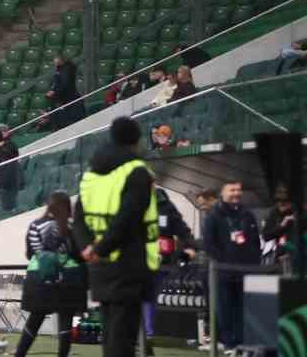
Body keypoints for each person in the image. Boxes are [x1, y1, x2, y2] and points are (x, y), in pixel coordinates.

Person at [73, 116, 159, 357]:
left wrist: (88, 249)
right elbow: (128, 218)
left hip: (100, 269)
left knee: (111, 335)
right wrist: (101, 249)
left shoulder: (91, 174)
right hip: (128, 263)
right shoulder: (137, 172)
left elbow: (78, 216)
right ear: (135, 140)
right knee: (122, 339)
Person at [13, 191, 88, 357]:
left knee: (34, 321)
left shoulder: (35, 225)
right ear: (68, 206)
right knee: (66, 323)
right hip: (68, 279)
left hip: (39, 279)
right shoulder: (72, 226)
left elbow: (30, 253)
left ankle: (19, 354)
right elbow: (78, 254)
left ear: (49, 205)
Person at [202, 180, 260, 354]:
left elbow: (255, 242)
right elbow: (209, 244)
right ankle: (229, 344)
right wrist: (224, 262)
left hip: (245, 272)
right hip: (223, 272)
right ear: (222, 193)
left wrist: (252, 263)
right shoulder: (213, 216)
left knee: (243, 310)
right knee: (225, 309)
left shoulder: (247, 215)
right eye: (232, 190)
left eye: (239, 190)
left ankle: (242, 343)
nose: (236, 193)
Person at [145, 187, 197, 355]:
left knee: (150, 296)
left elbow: (181, 228)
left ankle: (147, 334)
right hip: (137, 260)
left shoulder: (166, 205)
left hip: (162, 262)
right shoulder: (131, 201)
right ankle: (146, 333)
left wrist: (189, 245)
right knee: (144, 296)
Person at [261, 186, 297, 273]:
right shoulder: (274, 213)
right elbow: (266, 236)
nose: (281, 204)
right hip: (280, 257)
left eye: (285, 202)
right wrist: (281, 226)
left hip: (297, 256)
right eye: (279, 201)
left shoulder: (298, 212)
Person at [0, 127, 20, 211]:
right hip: (3, 184)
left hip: (6, 184)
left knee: (9, 209)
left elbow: (11, 164)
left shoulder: (7, 148)